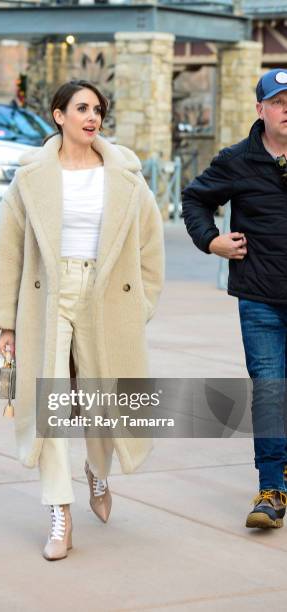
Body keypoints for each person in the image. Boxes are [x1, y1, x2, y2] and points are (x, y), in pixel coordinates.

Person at [0, 80, 164, 560]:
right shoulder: (32, 178)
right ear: (59, 115)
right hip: (48, 295)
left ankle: (98, 470)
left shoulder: (124, 175)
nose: (92, 117)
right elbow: (8, 251)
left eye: (98, 109)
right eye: (82, 108)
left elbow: (150, 245)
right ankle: (59, 510)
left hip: (106, 294)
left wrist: (140, 304)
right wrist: (6, 320)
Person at [182, 68, 287, 530]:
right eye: (281, 102)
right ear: (261, 109)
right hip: (261, 298)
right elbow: (193, 200)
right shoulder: (237, 160)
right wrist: (212, 242)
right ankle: (271, 489)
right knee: (268, 389)